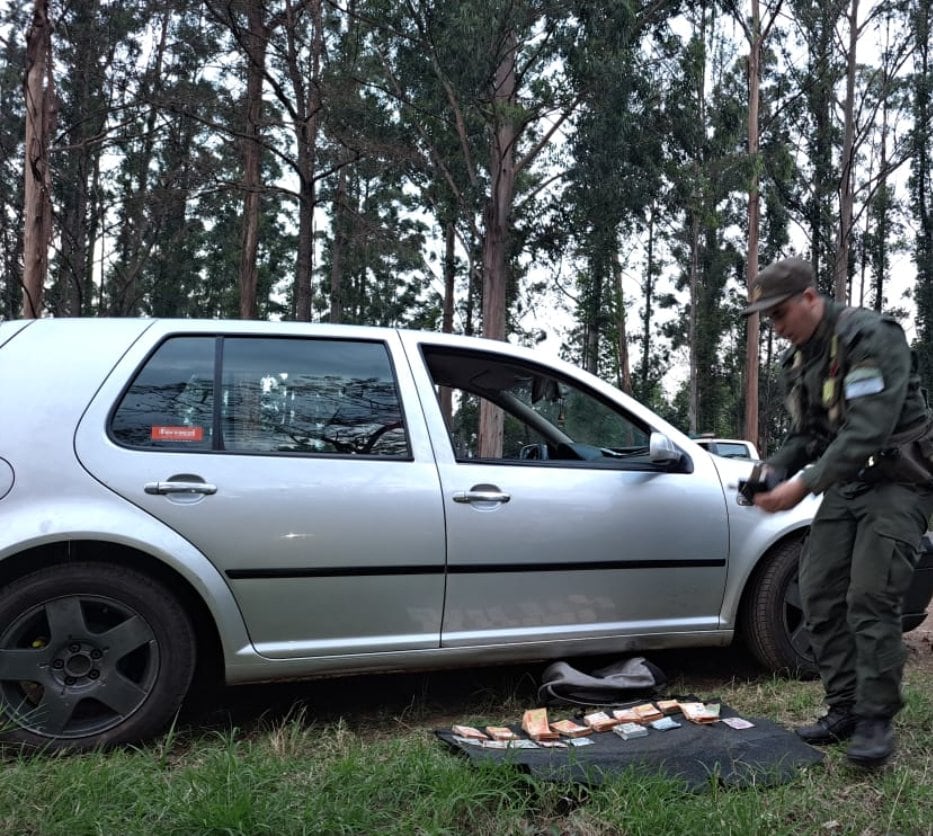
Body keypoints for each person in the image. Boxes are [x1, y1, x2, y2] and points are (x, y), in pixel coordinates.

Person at [744, 256, 933, 768]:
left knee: (870, 595)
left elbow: (867, 430)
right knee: (820, 592)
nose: (777, 328)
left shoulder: (872, 337)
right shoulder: (801, 361)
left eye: (780, 314)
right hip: (847, 484)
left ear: (810, 298)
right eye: (770, 319)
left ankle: (875, 720)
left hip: (898, 482)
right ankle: (845, 706)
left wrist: (803, 484)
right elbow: (809, 435)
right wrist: (774, 470)